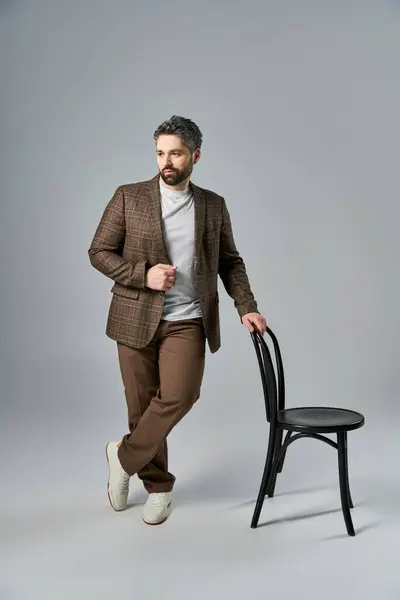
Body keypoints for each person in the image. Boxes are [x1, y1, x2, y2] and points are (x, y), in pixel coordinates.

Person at [88, 115, 267, 525]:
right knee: (140, 406)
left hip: (187, 319)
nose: (166, 161)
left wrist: (247, 305)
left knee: (179, 395)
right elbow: (99, 251)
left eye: (176, 153)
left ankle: (122, 457)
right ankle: (159, 487)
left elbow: (230, 262)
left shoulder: (212, 205)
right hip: (134, 316)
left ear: (195, 156)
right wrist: (143, 274)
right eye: (160, 153)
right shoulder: (128, 197)